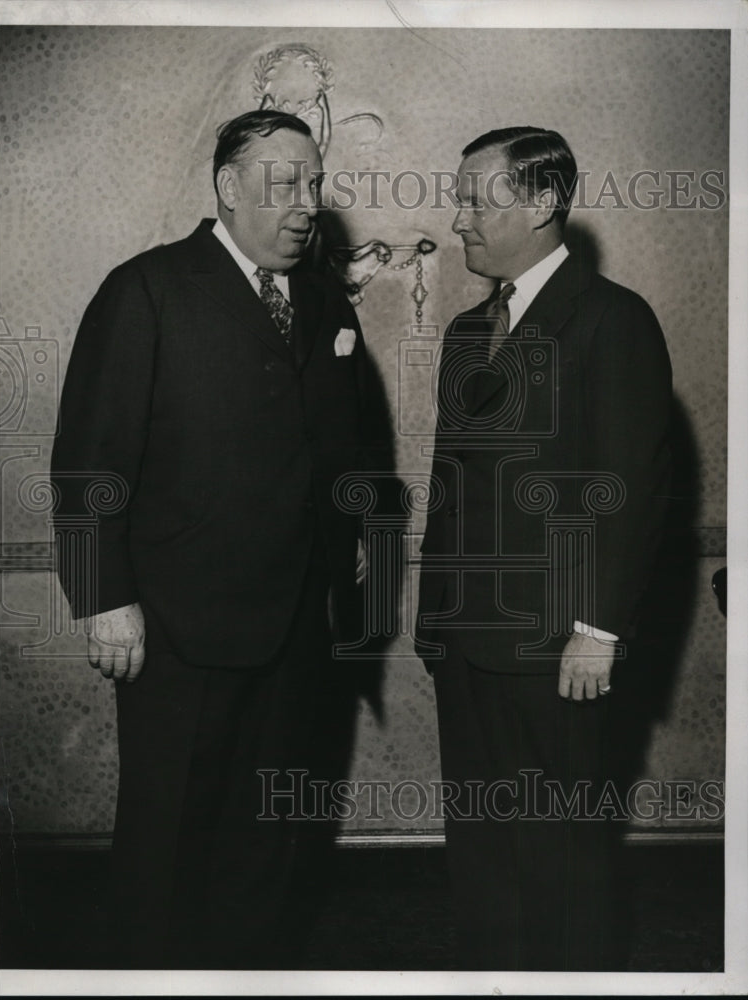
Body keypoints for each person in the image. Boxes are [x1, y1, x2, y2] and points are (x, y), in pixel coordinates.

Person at [50, 109, 368, 969]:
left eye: (313, 183)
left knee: (269, 842)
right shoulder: (145, 289)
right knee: (167, 844)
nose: (306, 205)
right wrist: (103, 598)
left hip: (297, 626)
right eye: (283, 184)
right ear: (228, 188)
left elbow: (339, 451)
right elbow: (86, 461)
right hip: (176, 632)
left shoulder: (324, 298)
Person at [416, 126, 672, 970]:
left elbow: (629, 485)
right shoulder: (462, 331)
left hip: (558, 646)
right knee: (482, 847)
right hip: (467, 644)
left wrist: (598, 629)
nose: (457, 222)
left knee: (558, 853)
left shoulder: (612, 321)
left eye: (472, 201)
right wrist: (434, 620)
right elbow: (452, 485)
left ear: (540, 204)